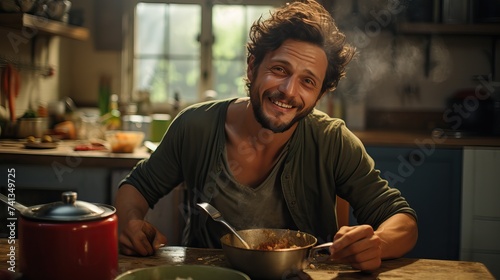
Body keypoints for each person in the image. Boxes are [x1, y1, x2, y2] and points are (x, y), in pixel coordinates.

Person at [115, 0, 418, 272]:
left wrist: (376, 243)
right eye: (279, 69)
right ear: (252, 68)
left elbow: (401, 219)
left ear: (320, 95)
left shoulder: (333, 140)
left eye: (307, 81)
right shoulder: (194, 126)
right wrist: (129, 221)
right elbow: (138, 187)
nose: (288, 90)